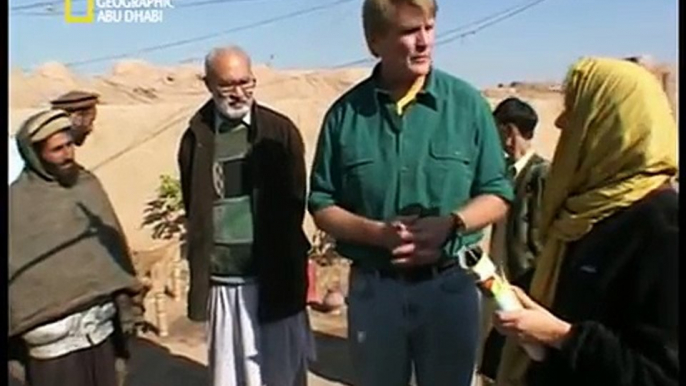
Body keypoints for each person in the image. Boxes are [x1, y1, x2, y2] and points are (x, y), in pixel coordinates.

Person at [307, 0, 514, 385]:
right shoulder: (345, 116)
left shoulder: (467, 105)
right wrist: (377, 234)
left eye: (429, 28)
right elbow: (321, 203)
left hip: (449, 287)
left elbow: (497, 193)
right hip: (375, 293)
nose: (423, 42)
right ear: (375, 42)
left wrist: (451, 223)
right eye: (407, 31)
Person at [493, 57, 679, 386]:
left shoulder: (663, 228)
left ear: (610, 126)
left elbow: (660, 375)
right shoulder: (582, 215)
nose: (562, 122)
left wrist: (563, 336)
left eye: (576, 110)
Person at [177, 46, 314, 386]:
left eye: (245, 82)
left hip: (274, 280)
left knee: (280, 373)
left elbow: (296, 200)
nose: (239, 93)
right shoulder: (196, 139)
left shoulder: (280, 132)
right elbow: (195, 207)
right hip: (225, 284)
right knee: (234, 374)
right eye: (227, 85)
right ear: (207, 83)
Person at [9, 110, 146, 386]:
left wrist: (125, 299)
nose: (68, 154)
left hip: (100, 330)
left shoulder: (86, 185)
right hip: (51, 343)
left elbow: (112, 252)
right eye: (57, 150)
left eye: (69, 144)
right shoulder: (16, 205)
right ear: (35, 155)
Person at [479, 97, 550, 382]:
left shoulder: (541, 175)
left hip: (524, 285)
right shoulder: (505, 175)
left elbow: (543, 237)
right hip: (501, 285)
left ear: (508, 131)